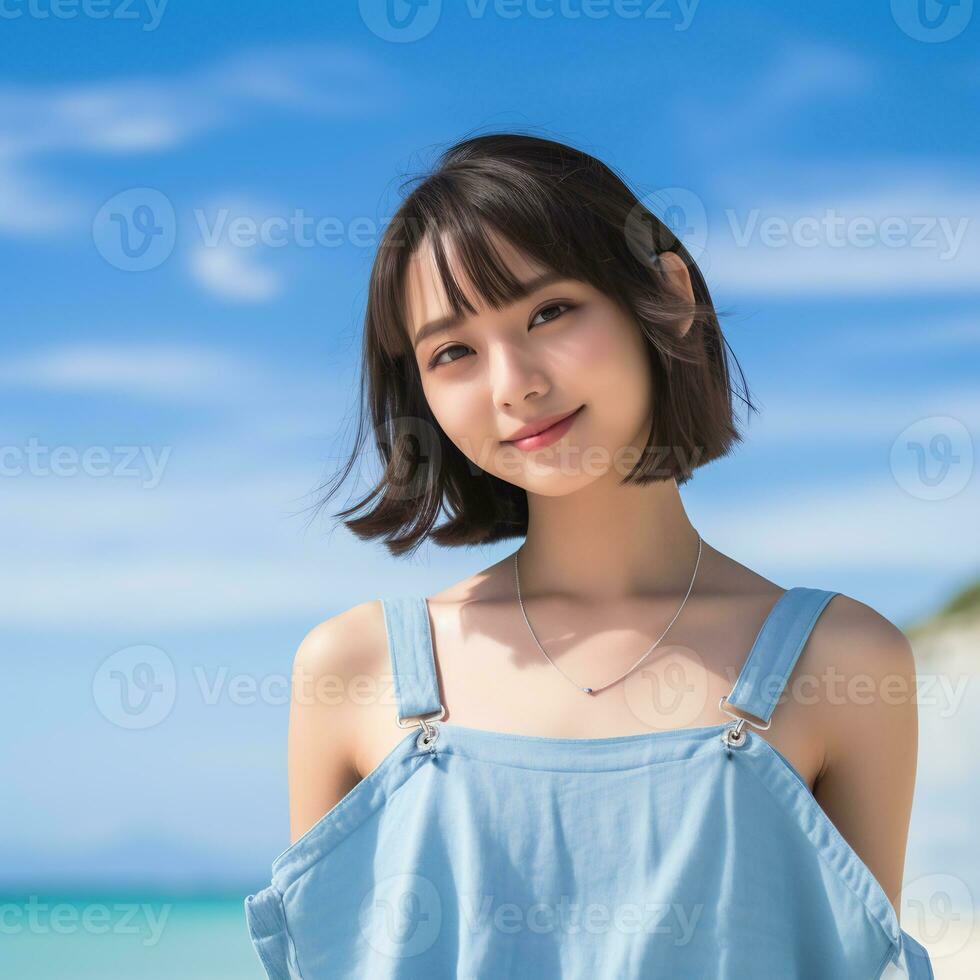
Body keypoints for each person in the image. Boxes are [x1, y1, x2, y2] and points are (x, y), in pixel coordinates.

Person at [245, 132, 933, 978]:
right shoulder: (355, 667)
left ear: (668, 294)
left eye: (549, 312)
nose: (513, 383)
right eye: (453, 351)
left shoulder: (840, 661)